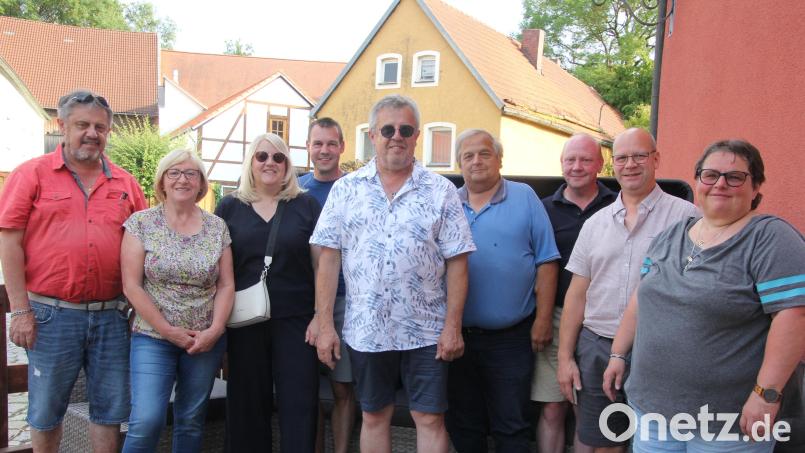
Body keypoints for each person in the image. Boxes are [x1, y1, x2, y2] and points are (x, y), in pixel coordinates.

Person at [603, 139, 805, 451]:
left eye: (734, 177)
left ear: (756, 187)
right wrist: (618, 354)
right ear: (697, 181)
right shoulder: (672, 234)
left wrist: (767, 395)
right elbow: (641, 298)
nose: (720, 184)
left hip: (727, 423)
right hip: (652, 411)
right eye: (709, 175)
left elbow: (794, 316)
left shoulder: (770, 238)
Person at [308, 95, 476, 453]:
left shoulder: (441, 191)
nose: (396, 136)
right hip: (367, 328)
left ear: (417, 136)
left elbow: (458, 262)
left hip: (427, 330)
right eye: (387, 129)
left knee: (429, 418)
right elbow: (328, 260)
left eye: (405, 129)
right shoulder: (345, 190)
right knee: (373, 414)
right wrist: (324, 325)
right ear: (373, 135)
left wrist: (453, 327)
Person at [0, 89, 147, 453]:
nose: (92, 133)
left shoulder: (126, 184)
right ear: (62, 126)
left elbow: (145, 246)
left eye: (100, 127)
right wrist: (20, 311)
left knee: (109, 411)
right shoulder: (31, 174)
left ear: (108, 132)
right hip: (51, 315)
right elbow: (9, 243)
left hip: (112, 315)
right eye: (82, 125)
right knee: (46, 412)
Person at [556, 128, 698, 452]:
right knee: (604, 441)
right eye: (622, 158)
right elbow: (576, 295)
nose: (630, 164)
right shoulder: (595, 224)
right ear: (613, 164)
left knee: (658, 441)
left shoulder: (687, 218)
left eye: (639, 156)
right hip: (598, 347)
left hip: (659, 350)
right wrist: (565, 358)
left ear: (656, 159)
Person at [446, 128, 559, 452]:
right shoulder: (448, 203)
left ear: (499, 159)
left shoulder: (524, 197)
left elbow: (547, 261)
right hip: (457, 337)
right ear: (460, 164)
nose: (476, 161)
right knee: (464, 424)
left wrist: (543, 320)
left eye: (485, 153)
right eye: (468, 156)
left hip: (511, 339)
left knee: (512, 425)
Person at [120, 149, 234, 452]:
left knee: (191, 420)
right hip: (153, 337)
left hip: (203, 341)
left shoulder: (217, 227)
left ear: (201, 183)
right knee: (146, 420)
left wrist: (215, 330)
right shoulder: (141, 223)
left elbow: (226, 284)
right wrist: (168, 331)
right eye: (174, 173)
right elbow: (132, 286)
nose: (182, 179)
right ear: (162, 181)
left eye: (190, 174)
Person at [216, 132, 322, 452]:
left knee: (299, 404)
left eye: (278, 157)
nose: (270, 163)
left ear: (288, 165)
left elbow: (322, 267)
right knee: (246, 405)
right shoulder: (230, 207)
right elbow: (218, 272)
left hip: (297, 321)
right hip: (244, 321)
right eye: (262, 156)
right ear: (251, 161)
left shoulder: (306, 205)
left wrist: (321, 316)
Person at [536, 133, 616, 453]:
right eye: (570, 160)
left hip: (603, 321)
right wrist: (541, 318)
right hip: (556, 317)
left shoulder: (617, 206)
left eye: (585, 160)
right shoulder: (543, 209)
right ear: (561, 164)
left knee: (587, 410)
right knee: (553, 406)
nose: (577, 166)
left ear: (600, 164)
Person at [298, 117, 356, 453]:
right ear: (308, 147)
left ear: (342, 147)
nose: (324, 150)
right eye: (317, 143)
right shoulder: (294, 190)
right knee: (307, 389)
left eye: (331, 143)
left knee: (342, 386)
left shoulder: (355, 188)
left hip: (346, 299)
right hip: (302, 302)